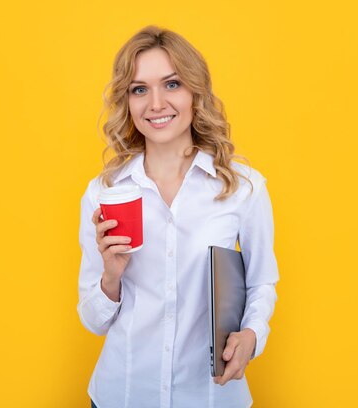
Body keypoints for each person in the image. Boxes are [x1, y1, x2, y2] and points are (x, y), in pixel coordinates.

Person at [77, 25, 279, 408]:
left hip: (211, 397)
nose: (156, 103)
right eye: (140, 89)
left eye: (171, 84)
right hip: (122, 395)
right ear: (128, 100)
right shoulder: (103, 194)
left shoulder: (243, 188)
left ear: (194, 92)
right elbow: (94, 320)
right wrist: (111, 276)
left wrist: (252, 334)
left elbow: (262, 283)